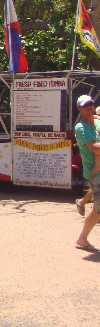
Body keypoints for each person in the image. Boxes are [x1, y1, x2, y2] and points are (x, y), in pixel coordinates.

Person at [74, 95, 100, 251]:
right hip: (95, 174)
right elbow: (94, 148)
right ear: (80, 109)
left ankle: (82, 238)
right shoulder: (81, 127)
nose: (89, 107)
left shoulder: (97, 121)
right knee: (98, 209)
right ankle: (82, 238)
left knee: (98, 209)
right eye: (85, 105)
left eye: (90, 104)